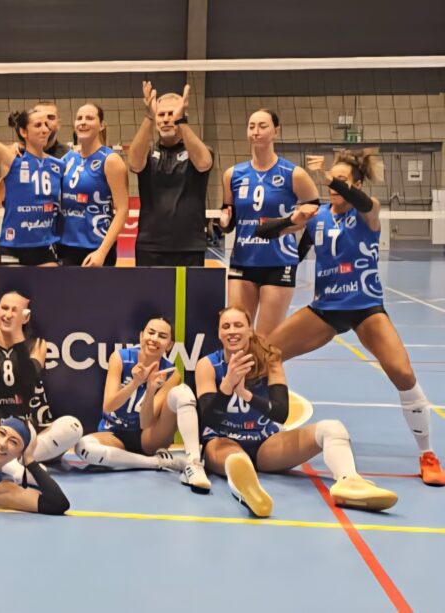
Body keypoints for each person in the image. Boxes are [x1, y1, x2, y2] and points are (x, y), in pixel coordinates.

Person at [261, 149, 444, 485]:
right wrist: (291, 221)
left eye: (341, 180)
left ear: (356, 184)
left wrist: (327, 176)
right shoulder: (318, 216)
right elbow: (266, 234)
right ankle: (258, 431)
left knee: (403, 373)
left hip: (364, 307)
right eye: (332, 180)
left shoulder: (369, 210)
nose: (333, 187)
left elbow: (360, 202)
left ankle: (427, 454)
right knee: (264, 354)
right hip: (325, 309)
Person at [195, 306, 398, 517]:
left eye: (238, 325)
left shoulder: (269, 359)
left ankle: (350, 483)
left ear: (250, 330)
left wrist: (247, 395)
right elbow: (209, 419)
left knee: (332, 428)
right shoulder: (208, 365)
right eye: (226, 326)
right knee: (238, 460)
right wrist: (227, 385)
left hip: (265, 444)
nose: (232, 331)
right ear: (219, 333)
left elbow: (281, 413)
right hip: (223, 442)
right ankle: (249, 491)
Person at [0, 291, 83, 483]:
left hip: (31, 432)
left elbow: (29, 381)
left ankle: (7, 462)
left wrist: (18, 339)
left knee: (73, 426)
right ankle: (20, 468)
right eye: (4, 308)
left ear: (25, 317)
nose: (8, 314)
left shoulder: (37, 344)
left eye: (15, 310)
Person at [75, 317, 211, 492]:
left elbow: (146, 422)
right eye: (151, 332)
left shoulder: (171, 373)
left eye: (162, 336)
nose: (154, 339)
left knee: (183, 391)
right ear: (141, 336)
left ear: (169, 345)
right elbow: (108, 406)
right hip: (114, 434)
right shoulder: (120, 358)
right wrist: (135, 383)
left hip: (148, 437)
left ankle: (194, 464)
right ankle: (156, 462)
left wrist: (150, 389)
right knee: (84, 448)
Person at [220, 109, 321, 336]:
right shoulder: (233, 174)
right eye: (251, 126)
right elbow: (229, 220)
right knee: (238, 335)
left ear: (276, 131)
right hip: (242, 262)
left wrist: (298, 252)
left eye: (262, 126)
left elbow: (316, 216)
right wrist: (223, 223)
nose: (256, 131)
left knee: (266, 342)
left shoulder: (293, 174)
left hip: (278, 263)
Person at [0, 66, 61, 266]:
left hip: (44, 247)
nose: (45, 129)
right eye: (38, 125)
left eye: (46, 125)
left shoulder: (59, 165)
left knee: (52, 286)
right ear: (24, 132)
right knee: (11, 289)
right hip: (12, 245)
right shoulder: (11, 158)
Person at [127, 82, 214, 267]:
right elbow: (134, 163)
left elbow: (204, 164)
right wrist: (149, 116)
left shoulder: (198, 150)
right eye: (161, 114)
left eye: (172, 114)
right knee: (149, 289)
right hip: (150, 246)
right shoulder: (148, 153)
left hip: (189, 247)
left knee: (185, 289)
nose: (166, 119)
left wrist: (181, 121)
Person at [58, 104, 129, 267]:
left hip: (95, 248)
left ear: (101, 125)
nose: (83, 122)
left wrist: (102, 252)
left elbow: (123, 209)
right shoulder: (67, 159)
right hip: (65, 247)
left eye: (89, 118)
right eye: (79, 118)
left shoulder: (110, 160)